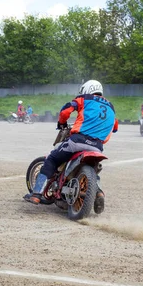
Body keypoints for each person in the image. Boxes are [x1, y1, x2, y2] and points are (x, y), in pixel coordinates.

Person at [24, 80, 118, 212]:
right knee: (94, 170)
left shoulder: (83, 99)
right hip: (97, 147)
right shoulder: (111, 107)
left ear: (87, 89)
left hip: (78, 141)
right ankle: (98, 193)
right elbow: (115, 127)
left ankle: (36, 194)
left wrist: (61, 123)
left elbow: (65, 112)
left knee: (52, 159)